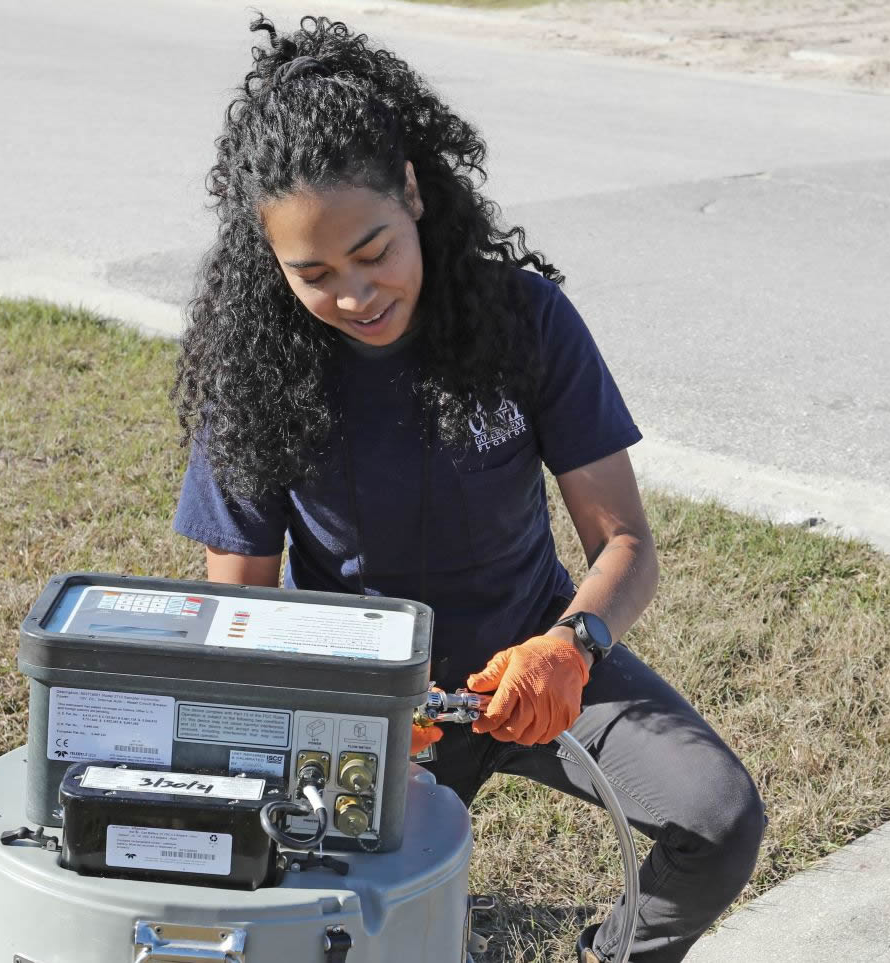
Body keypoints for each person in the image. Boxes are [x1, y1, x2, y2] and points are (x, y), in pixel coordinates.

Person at [169, 15, 764, 962]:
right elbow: (235, 619)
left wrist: (571, 650)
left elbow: (627, 545)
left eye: (372, 252)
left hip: (531, 660)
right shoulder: (254, 379)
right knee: (341, 928)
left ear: (412, 191)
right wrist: (343, 713)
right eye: (313, 274)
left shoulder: (523, 320)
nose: (356, 295)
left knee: (720, 818)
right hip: (362, 696)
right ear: (266, 254)